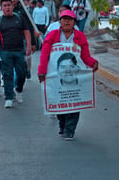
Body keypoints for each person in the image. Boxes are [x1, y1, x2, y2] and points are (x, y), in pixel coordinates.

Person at [38, 10, 98, 140]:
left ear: (74, 22)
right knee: (60, 101)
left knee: (75, 102)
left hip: (74, 76)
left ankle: (70, 130)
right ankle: (62, 123)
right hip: (56, 75)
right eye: (64, 19)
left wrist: (93, 63)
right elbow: (45, 54)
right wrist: (42, 70)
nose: (67, 21)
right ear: (60, 22)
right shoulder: (52, 35)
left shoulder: (80, 36)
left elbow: (85, 55)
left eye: (70, 19)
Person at [0, 0, 31, 108]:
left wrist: (28, 46)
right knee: (7, 75)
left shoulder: (20, 18)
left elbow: (26, 32)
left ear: (12, 6)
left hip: (19, 51)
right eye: (5, 6)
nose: (7, 7)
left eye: (9, 5)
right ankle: (8, 97)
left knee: (22, 73)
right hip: (5, 52)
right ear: (1, 8)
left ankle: (19, 89)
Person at [8, 0, 36, 79]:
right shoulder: (4, 10)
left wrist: (32, 43)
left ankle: (27, 70)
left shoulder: (23, 11)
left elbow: (29, 26)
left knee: (25, 58)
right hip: (9, 40)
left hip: (23, 38)